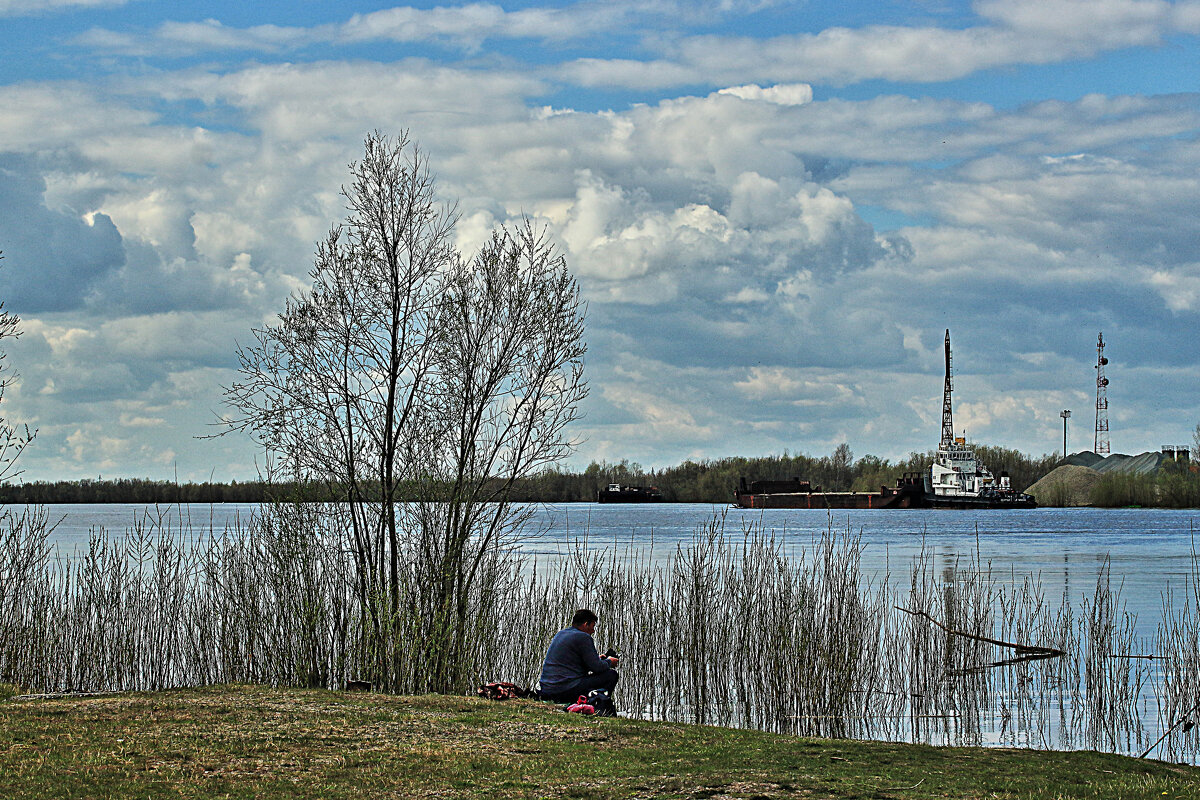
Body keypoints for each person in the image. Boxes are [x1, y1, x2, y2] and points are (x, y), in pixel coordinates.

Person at [536, 608, 619, 704]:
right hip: (562, 691)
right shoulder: (583, 637)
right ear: (585, 624)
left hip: (546, 690)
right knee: (611, 675)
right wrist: (609, 662)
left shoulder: (561, 633)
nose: (593, 631)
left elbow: (572, 664)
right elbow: (597, 668)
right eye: (592, 626)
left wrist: (598, 659)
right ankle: (600, 703)